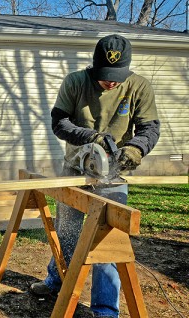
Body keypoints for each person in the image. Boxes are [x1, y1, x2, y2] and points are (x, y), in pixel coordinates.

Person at [30, 34, 160, 317]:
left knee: (107, 244)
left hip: (112, 176)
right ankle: (57, 281)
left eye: (116, 77)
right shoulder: (75, 82)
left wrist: (137, 148)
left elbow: (150, 129)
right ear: (94, 65)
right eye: (105, 77)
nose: (110, 82)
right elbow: (59, 122)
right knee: (67, 231)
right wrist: (91, 137)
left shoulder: (138, 86)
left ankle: (104, 310)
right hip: (75, 170)